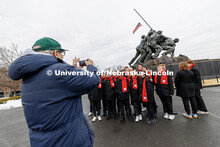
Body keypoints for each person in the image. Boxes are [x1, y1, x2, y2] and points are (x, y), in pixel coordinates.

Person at [8, 37, 100, 147]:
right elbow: (93, 79)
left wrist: (72, 69)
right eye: (62, 53)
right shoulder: (60, 71)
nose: (62, 57)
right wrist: (91, 66)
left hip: (41, 141)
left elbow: (57, 88)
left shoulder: (28, 76)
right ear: (56, 52)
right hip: (69, 139)